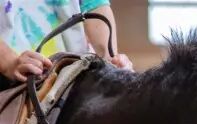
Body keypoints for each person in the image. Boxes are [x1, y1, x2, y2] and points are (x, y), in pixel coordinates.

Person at [0, 0, 132, 83]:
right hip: (9, 78)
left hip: (74, 73)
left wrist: (110, 60)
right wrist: (10, 63)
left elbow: (93, 4)